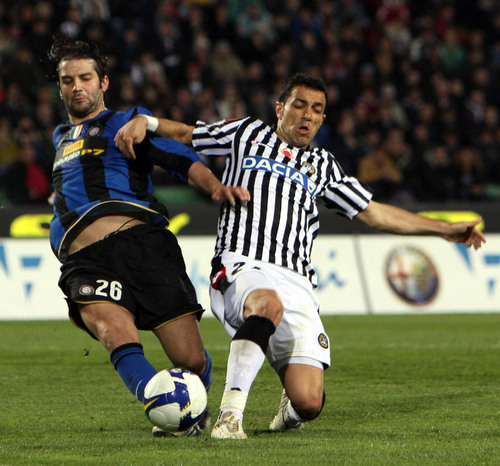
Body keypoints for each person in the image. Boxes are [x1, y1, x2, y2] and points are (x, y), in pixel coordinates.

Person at [115, 73, 486, 439]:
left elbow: (374, 213)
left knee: (309, 401)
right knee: (266, 304)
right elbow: (186, 134)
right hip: (242, 260)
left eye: (317, 109)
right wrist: (147, 122)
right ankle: (230, 416)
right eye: (300, 105)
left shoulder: (324, 165)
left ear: (323, 118)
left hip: (297, 280)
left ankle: (287, 412)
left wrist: (443, 229)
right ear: (280, 108)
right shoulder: (247, 133)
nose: (308, 114)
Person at [47, 37, 250, 437]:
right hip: (85, 261)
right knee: (111, 331)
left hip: (142, 246)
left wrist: (214, 187)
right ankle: (161, 403)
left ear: (103, 83)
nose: (76, 86)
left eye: (85, 78)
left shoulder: (125, 122)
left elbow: (179, 158)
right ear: (60, 87)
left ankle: (193, 406)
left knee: (190, 359)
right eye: (68, 80)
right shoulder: (60, 138)